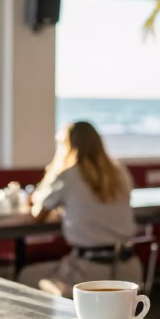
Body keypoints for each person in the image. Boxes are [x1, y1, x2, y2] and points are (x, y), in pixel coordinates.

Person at [25, 122, 140, 296]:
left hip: (89, 271)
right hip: (129, 268)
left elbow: (38, 214)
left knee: (27, 276)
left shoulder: (68, 175)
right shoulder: (119, 173)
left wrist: (34, 197)